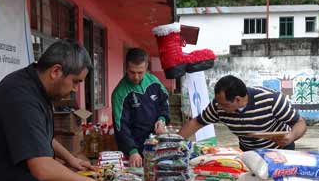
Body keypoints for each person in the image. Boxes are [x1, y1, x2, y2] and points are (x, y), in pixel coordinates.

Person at [0, 40, 123, 181]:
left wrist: (71, 159)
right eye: (75, 81)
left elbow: (38, 136)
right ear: (56, 71)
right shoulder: (21, 96)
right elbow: (43, 169)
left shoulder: (36, 89)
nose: (75, 89)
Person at [179, 75, 307, 151]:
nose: (219, 107)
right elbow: (196, 123)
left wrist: (291, 136)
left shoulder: (271, 99)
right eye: (218, 103)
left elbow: (300, 123)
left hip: (280, 150)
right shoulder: (217, 106)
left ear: (238, 100)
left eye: (224, 105)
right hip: (248, 151)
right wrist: (174, 143)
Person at [112, 48, 170, 167]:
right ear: (126, 67)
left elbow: (164, 104)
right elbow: (121, 127)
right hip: (134, 151)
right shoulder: (119, 93)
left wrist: (162, 119)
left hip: (157, 144)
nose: (136, 77)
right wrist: (132, 150)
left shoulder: (154, 82)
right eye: (132, 72)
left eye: (140, 72)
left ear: (146, 67)